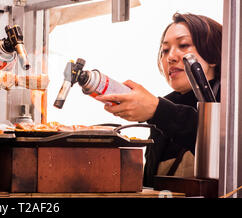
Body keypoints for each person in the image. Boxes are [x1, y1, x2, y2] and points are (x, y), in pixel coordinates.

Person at [95, 12, 222, 187]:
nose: (170, 57)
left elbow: (223, 150)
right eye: (165, 50)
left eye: (183, 45)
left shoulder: (232, 102)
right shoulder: (163, 111)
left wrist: (157, 110)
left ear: (213, 55)